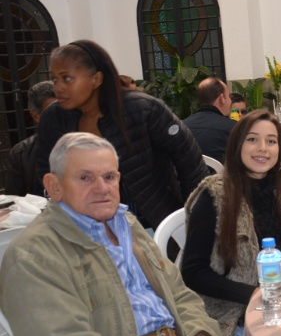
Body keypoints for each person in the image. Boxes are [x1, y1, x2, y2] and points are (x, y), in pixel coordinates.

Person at [0, 133, 248, 336]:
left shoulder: (125, 225)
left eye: (109, 176)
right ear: (54, 185)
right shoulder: (33, 256)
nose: (101, 187)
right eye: (85, 177)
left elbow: (181, 297)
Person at [32, 40, 208, 231]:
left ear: (96, 79)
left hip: (150, 220)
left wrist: (193, 216)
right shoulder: (54, 118)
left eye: (67, 79)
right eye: (55, 79)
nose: (58, 88)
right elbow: (45, 168)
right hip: (82, 225)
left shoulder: (142, 109)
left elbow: (189, 160)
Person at [181, 110, 281, 336]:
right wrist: (254, 295)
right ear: (237, 145)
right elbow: (193, 272)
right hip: (229, 315)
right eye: (252, 139)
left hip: (276, 303)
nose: (263, 148)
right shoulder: (214, 194)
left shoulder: (277, 191)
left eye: (271, 141)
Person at [3, 80, 56, 196]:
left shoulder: (87, 145)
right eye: (53, 112)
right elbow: (14, 203)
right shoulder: (20, 155)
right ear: (36, 115)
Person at [182, 76, 236, 164]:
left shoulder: (182, 127)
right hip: (221, 177)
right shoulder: (233, 128)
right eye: (228, 96)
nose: (230, 101)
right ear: (222, 98)